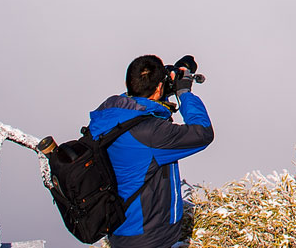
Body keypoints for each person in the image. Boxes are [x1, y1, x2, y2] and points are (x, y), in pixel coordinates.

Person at [88, 54, 214, 248]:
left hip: (120, 228)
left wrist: (163, 89)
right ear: (158, 88)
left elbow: (141, 105)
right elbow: (203, 133)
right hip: (150, 236)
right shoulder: (151, 134)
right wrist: (184, 92)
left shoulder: (109, 115)